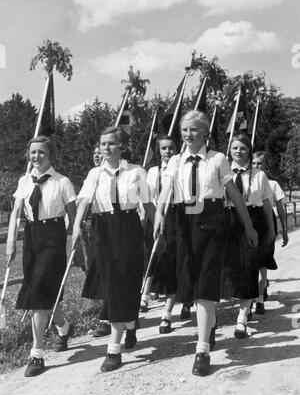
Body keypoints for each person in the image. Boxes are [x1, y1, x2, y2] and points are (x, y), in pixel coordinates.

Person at [154, 111, 258, 376]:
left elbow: (233, 193)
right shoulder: (175, 161)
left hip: (212, 224)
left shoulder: (218, 159)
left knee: (206, 284)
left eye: (194, 130)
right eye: (184, 130)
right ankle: (208, 326)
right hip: (183, 224)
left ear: (204, 133)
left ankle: (202, 351)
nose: (188, 135)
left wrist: (248, 225)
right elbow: (166, 191)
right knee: (189, 283)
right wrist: (159, 216)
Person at [72, 127, 155, 373]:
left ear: (122, 147)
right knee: (111, 284)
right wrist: (76, 227)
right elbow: (85, 202)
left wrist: (161, 227)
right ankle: (130, 323)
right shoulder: (94, 174)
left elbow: (148, 204)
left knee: (123, 283)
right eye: (102, 143)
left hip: (128, 227)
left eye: (110, 144)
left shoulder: (136, 172)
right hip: (103, 229)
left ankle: (113, 350)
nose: (105, 148)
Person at [6, 136, 77, 377]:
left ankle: (36, 353)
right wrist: (10, 242)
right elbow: (16, 213)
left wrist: (79, 244)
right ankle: (63, 327)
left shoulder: (62, 182)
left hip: (54, 236)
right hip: (31, 237)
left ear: (51, 155)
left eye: (41, 152)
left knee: (38, 290)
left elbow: (74, 215)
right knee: (47, 289)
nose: (36, 156)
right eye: (33, 152)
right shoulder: (24, 181)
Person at [222, 134, 275, 335]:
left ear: (249, 151)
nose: (238, 152)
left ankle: (242, 318)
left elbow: (267, 205)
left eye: (243, 148)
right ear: (230, 150)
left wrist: (270, 229)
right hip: (227, 220)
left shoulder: (259, 176)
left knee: (249, 267)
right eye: (235, 148)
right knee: (226, 269)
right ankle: (212, 318)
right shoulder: (222, 172)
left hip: (253, 221)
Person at [141, 135, 179, 333]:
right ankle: (145, 295)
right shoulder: (151, 172)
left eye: (171, 148)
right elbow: (145, 197)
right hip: (153, 214)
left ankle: (167, 314)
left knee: (170, 260)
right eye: (164, 148)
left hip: (173, 215)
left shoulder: (178, 170)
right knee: (151, 256)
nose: (167, 152)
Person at [251, 151, 289, 314]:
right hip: (251, 220)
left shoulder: (272, 184)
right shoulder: (248, 182)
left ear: (265, 166)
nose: (256, 166)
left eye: (260, 164)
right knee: (250, 260)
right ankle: (254, 294)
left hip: (267, 222)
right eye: (254, 163)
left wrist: (285, 230)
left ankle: (260, 297)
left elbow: (280, 207)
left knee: (264, 259)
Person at [81, 143, 112, 337]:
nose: (96, 156)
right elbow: (83, 200)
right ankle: (113, 311)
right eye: (94, 153)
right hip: (95, 229)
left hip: (112, 226)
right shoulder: (93, 174)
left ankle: (106, 318)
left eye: (99, 153)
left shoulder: (112, 175)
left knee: (109, 271)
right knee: (97, 269)